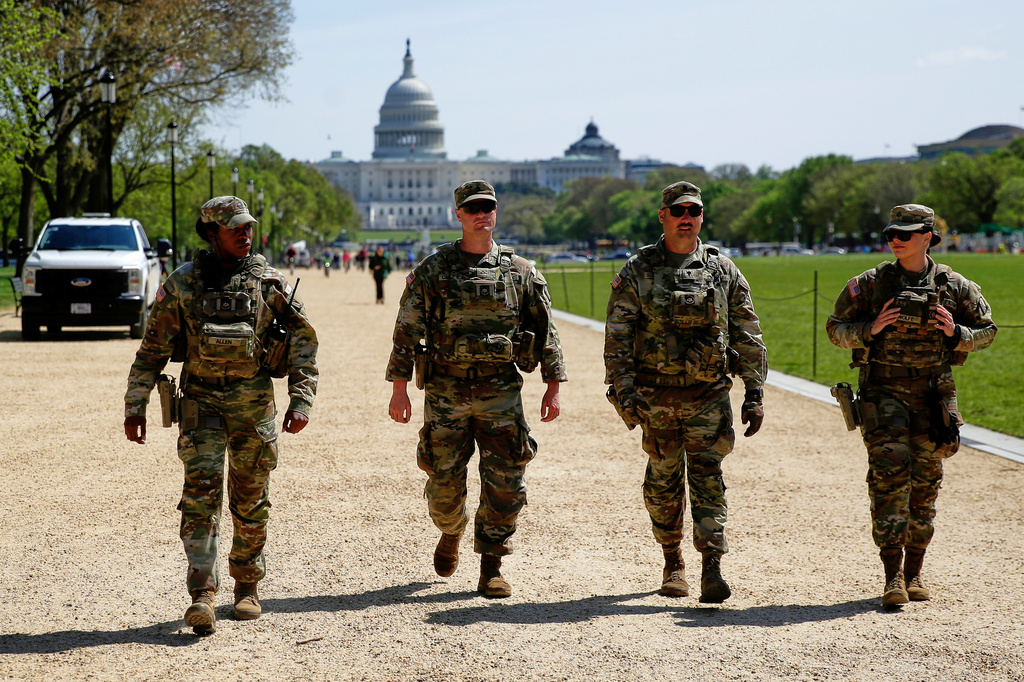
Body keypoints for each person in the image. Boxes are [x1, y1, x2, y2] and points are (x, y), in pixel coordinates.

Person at [123, 196, 318, 634]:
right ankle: (202, 595)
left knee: (251, 501)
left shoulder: (270, 282)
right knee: (200, 499)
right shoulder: (182, 283)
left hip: (254, 406)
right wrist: (135, 405)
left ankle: (247, 586)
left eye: (247, 227)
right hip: (201, 405)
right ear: (212, 234)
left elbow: (304, 342)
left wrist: (301, 399)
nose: (245, 234)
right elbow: (153, 348)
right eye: (234, 228)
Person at [386, 180, 566, 598]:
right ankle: (451, 530)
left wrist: (553, 385)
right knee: (444, 484)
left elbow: (546, 332)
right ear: (459, 215)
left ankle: (491, 564)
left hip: (501, 391)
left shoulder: (520, 271)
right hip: (447, 391)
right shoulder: (434, 270)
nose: (482, 214)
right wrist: (399, 389)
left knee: (507, 480)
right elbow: (406, 331)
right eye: (473, 208)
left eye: (488, 207)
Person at [604, 181, 766, 603]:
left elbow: (747, 332)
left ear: (700, 217)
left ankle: (712, 564)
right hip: (656, 397)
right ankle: (672, 559)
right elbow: (618, 337)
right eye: (678, 211)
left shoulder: (722, 270)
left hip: (708, 395)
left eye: (693, 211)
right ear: (663, 216)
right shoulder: (639, 270)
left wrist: (754, 392)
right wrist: (623, 389)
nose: (686, 218)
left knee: (709, 477)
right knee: (662, 482)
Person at [826, 204, 996, 607]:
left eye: (905, 234)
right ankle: (892, 577)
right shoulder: (869, 284)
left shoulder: (954, 286)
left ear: (928, 237)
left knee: (925, 485)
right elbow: (835, 330)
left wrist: (958, 333)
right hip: (883, 395)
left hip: (933, 396)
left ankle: (915, 571)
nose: (896, 241)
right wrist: (872, 328)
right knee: (887, 483)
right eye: (891, 234)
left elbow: (988, 330)